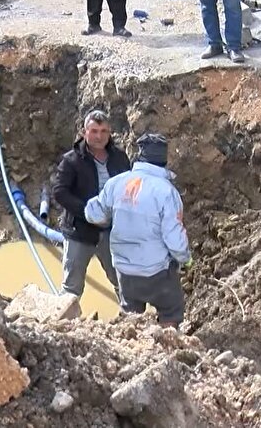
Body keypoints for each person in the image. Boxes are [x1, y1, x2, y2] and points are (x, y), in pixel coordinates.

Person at [85, 134, 190, 327]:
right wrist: (185, 259)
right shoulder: (166, 192)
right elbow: (174, 238)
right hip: (156, 271)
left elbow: (93, 213)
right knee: (171, 311)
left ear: (140, 156)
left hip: (124, 270)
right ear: (164, 160)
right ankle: (169, 349)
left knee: (131, 316)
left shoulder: (117, 183)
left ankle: (133, 349)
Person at [52, 110, 132, 299]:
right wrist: (87, 212)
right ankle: (66, 325)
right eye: (94, 131)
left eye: (104, 131)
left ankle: (131, 322)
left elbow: (129, 189)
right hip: (80, 232)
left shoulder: (119, 158)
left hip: (113, 232)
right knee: (71, 288)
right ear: (84, 132)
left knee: (123, 283)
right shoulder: (71, 161)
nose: (99, 136)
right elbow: (59, 192)